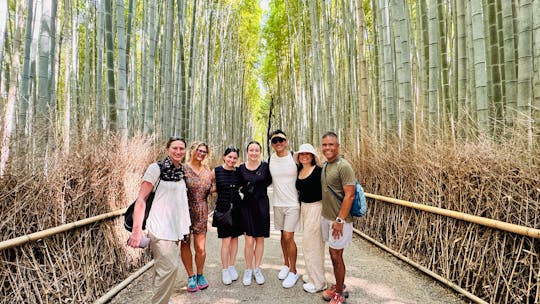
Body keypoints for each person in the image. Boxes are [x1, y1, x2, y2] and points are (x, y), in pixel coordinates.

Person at [127, 137, 191, 304]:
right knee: (170, 269)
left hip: (175, 229)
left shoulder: (181, 171)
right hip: (160, 228)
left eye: (181, 148)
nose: (178, 151)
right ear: (167, 149)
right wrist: (137, 230)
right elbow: (141, 199)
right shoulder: (156, 169)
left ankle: (163, 299)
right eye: (174, 148)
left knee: (162, 270)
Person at [320, 132, 354, 304]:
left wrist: (340, 220)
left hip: (339, 221)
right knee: (333, 254)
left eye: (331, 144)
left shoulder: (344, 166)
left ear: (338, 146)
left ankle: (339, 294)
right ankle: (340, 285)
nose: (328, 148)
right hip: (327, 218)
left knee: (336, 255)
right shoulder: (326, 165)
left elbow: (350, 196)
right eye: (324, 144)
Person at [268, 129, 301, 288]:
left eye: (281, 140)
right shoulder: (271, 159)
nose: (278, 143)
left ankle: (294, 271)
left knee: (289, 236)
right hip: (278, 203)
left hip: (293, 204)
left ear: (286, 141)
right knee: (282, 236)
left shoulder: (294, 157)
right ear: (272, 144)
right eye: (275, 141)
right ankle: (286, 264)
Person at [181, 142, 214, 292]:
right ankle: (191, 276)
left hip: (201, 210)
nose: (201, 153)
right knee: (185, 244)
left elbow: (213, 189)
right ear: (192, 151)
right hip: (184, 211)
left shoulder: (208, 172)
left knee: (200, 247)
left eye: (204, 152)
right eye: (199, 150)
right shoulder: (183, 169)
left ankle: (200, 274)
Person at [238, 141, 272, 286]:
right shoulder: (241, 168)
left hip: (262, 205)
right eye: (251, 150)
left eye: (256, 150)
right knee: (249, 240)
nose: (253, 153)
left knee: (259, 239)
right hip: (247, 206)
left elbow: (269, 182)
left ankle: (257, 268)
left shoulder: (265, 167)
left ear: (260, 152)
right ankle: (248, 269)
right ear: (247, 151)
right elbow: (237, 185)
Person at [294, 143, 326, 293]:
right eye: (301, 154)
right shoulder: (300, 170)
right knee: (308, 244)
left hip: (316, 208)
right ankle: (312, 275)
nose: (304, 156)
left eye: (307, 154)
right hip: (305, 209)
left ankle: (319, 283)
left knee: (313, 246)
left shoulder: (319, 171)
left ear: (313, 156)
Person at [213, 146, 244, 285]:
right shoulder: (216, 171)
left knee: (235, 239)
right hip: (223, 209)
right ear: (224, 157)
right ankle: (225, 269)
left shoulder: (238, 172)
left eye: (235, 158)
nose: (232, 160)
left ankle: (232, 266)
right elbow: (210, 187)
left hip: (237, 209)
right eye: (230, 157)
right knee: (226, 241)